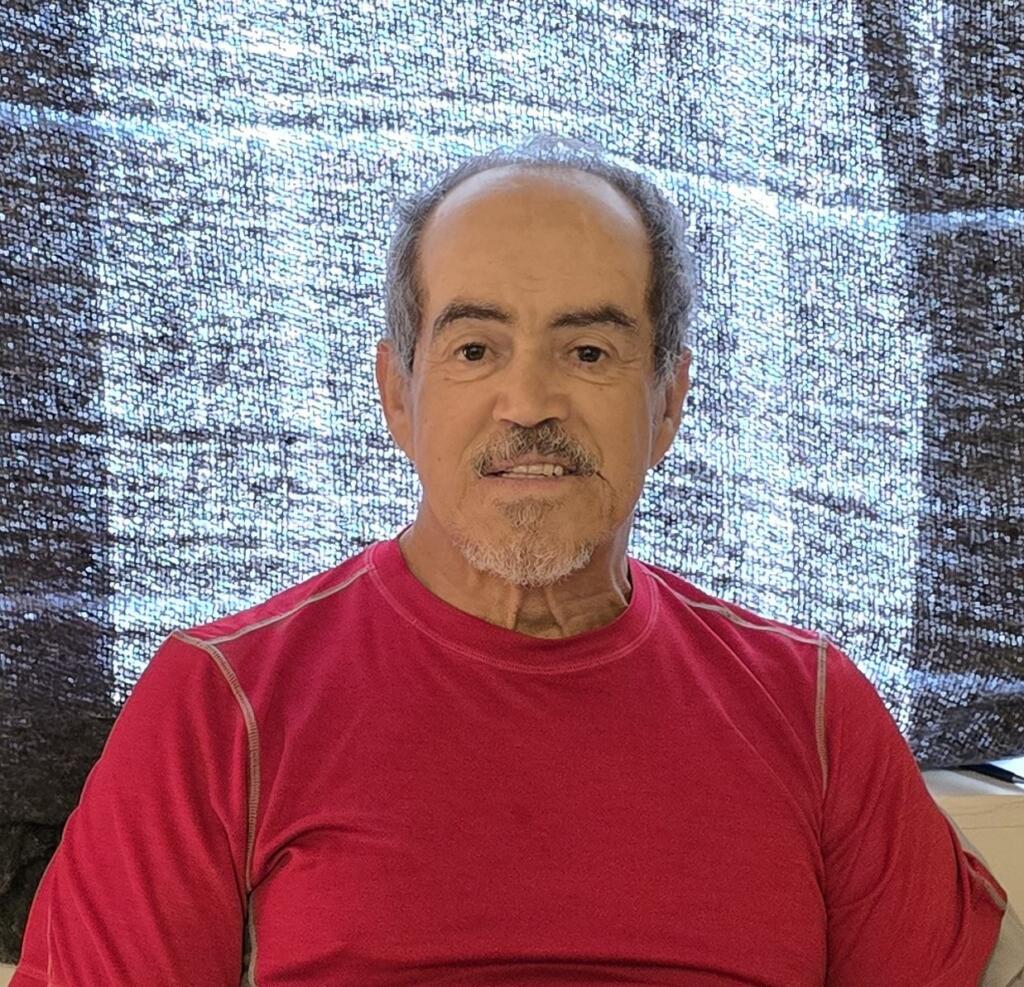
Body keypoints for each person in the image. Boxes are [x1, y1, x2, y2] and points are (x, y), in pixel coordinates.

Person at [11, 134, 1011, 986]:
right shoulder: (219, 701)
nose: (528, 404)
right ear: (396, 395)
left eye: (587, 352)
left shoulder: (814, 709)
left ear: (667, 403)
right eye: (475, 348)